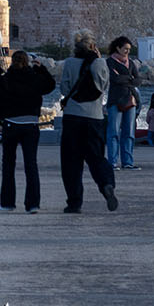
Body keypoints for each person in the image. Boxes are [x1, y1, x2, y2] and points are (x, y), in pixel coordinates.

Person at [0, 51, 56, 214]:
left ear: (12, 62)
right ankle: (32, 204)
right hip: (30, 125)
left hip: (10, 125)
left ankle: (7, 203)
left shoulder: (5, 79)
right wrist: (40, 69)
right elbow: (50, 85)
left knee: (8, 165)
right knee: (31, 165)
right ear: (27, 62)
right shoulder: (34, 78)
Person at [59, 30, 118, 214]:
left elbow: (64, 87)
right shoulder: (100, 63)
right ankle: (106, 185)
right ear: (93, 46)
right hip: (94, 117)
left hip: (72, 117)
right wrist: (99, 61)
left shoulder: (69, 63)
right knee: (96, 158)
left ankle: (74, 202)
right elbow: (104, 87)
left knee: (71, 162)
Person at [105, 36, 141, 171]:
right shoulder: (110, 62)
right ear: (118, 48)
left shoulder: (130, 63)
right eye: (125, 49)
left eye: (129, 49)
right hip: (115, 100)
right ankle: (112, 162)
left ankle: (128, 162)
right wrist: (130, 78)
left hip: (130, 100)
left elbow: (138, 80)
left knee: (129, 132)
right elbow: (115, 79)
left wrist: (126, 79)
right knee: (113, 132)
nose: (127, 51)